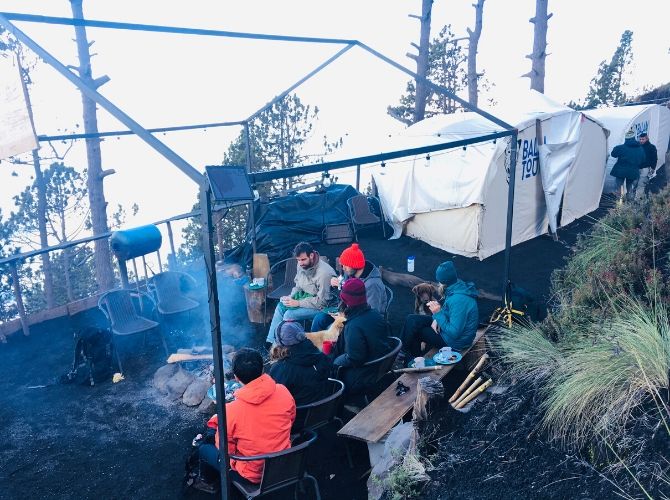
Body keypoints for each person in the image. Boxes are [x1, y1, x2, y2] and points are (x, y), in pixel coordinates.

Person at [198, 348, 296, 486]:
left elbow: (226, 450)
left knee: (204, 449)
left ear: (236, 377)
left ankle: (208, 483)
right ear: (263, 369)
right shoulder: (282, 390)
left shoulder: (230, 411)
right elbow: (291, 420)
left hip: (253, 474)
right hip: (283, 459)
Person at [400, 261, 479, 358]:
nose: (438, 283)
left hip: (457, 343)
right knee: (412, 319)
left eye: (439, 281)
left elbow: (454, 333)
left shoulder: (459, 300)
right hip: (451, 329)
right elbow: (451, 314)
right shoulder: (457, 287)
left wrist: (438, 314)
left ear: (443, 282)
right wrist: (437, 319)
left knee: (417, 332)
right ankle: (402, 351)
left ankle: (412, 361)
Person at [266, 242, 336, 344]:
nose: (300, 263)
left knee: (289, 314)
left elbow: (323, 302)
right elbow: (298, 285)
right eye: (298, 260)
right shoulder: (301, 265)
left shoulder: (324, 273)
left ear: (311, 255)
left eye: (303, 259)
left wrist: (298, 303)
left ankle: (287, 347)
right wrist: (291, 297)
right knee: (281, 306)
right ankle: (272, 343)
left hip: (323, 307)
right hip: (306, 299)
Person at [332, 278, 391, 395]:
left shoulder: (353, 326)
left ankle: (340, 402)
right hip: (381, 365)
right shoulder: (375, 314)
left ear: (346, 301)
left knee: (333, 364)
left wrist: (335, 362)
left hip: (365, 374)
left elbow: (355, 358)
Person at [311, 243, 387, 332]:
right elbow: (346, 296)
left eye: (345, 265)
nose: (343, 268)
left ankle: (331, 345)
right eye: (342, 265)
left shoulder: (372, 285)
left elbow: (371, 314)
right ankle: (316, 344)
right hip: (346, 310)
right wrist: (336, 286)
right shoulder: (350, 274)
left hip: (362, 320)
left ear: (356, 265)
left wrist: (344, 318)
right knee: (319, 319)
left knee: (331, 330)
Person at [268, 320, 333, 406]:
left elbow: (274, 399)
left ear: (279, 343)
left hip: (298, 415)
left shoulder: (280, 369)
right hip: (325, 409)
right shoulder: (321, 356)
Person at [611, 129, 645, 202]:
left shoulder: (620, 148)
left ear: (626, 139)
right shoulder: (640, 149)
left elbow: (613, 154)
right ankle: (629, 205)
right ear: (634, 138)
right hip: (633, 172)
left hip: (620, 171)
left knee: (618, 187)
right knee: (630, 188)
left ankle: (619, 205)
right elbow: (643, 160)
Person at [635, 132, 658, 200]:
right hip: (636, 168)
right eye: (640, 139)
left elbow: (654, 158)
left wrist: (653, 168)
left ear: (647, 138)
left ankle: (637, 200)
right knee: (634, 183)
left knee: (641, 184)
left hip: (645, 169)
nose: (641, 141)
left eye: (643, 139)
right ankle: (638, 196)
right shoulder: (637, 146)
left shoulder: (652, 147)